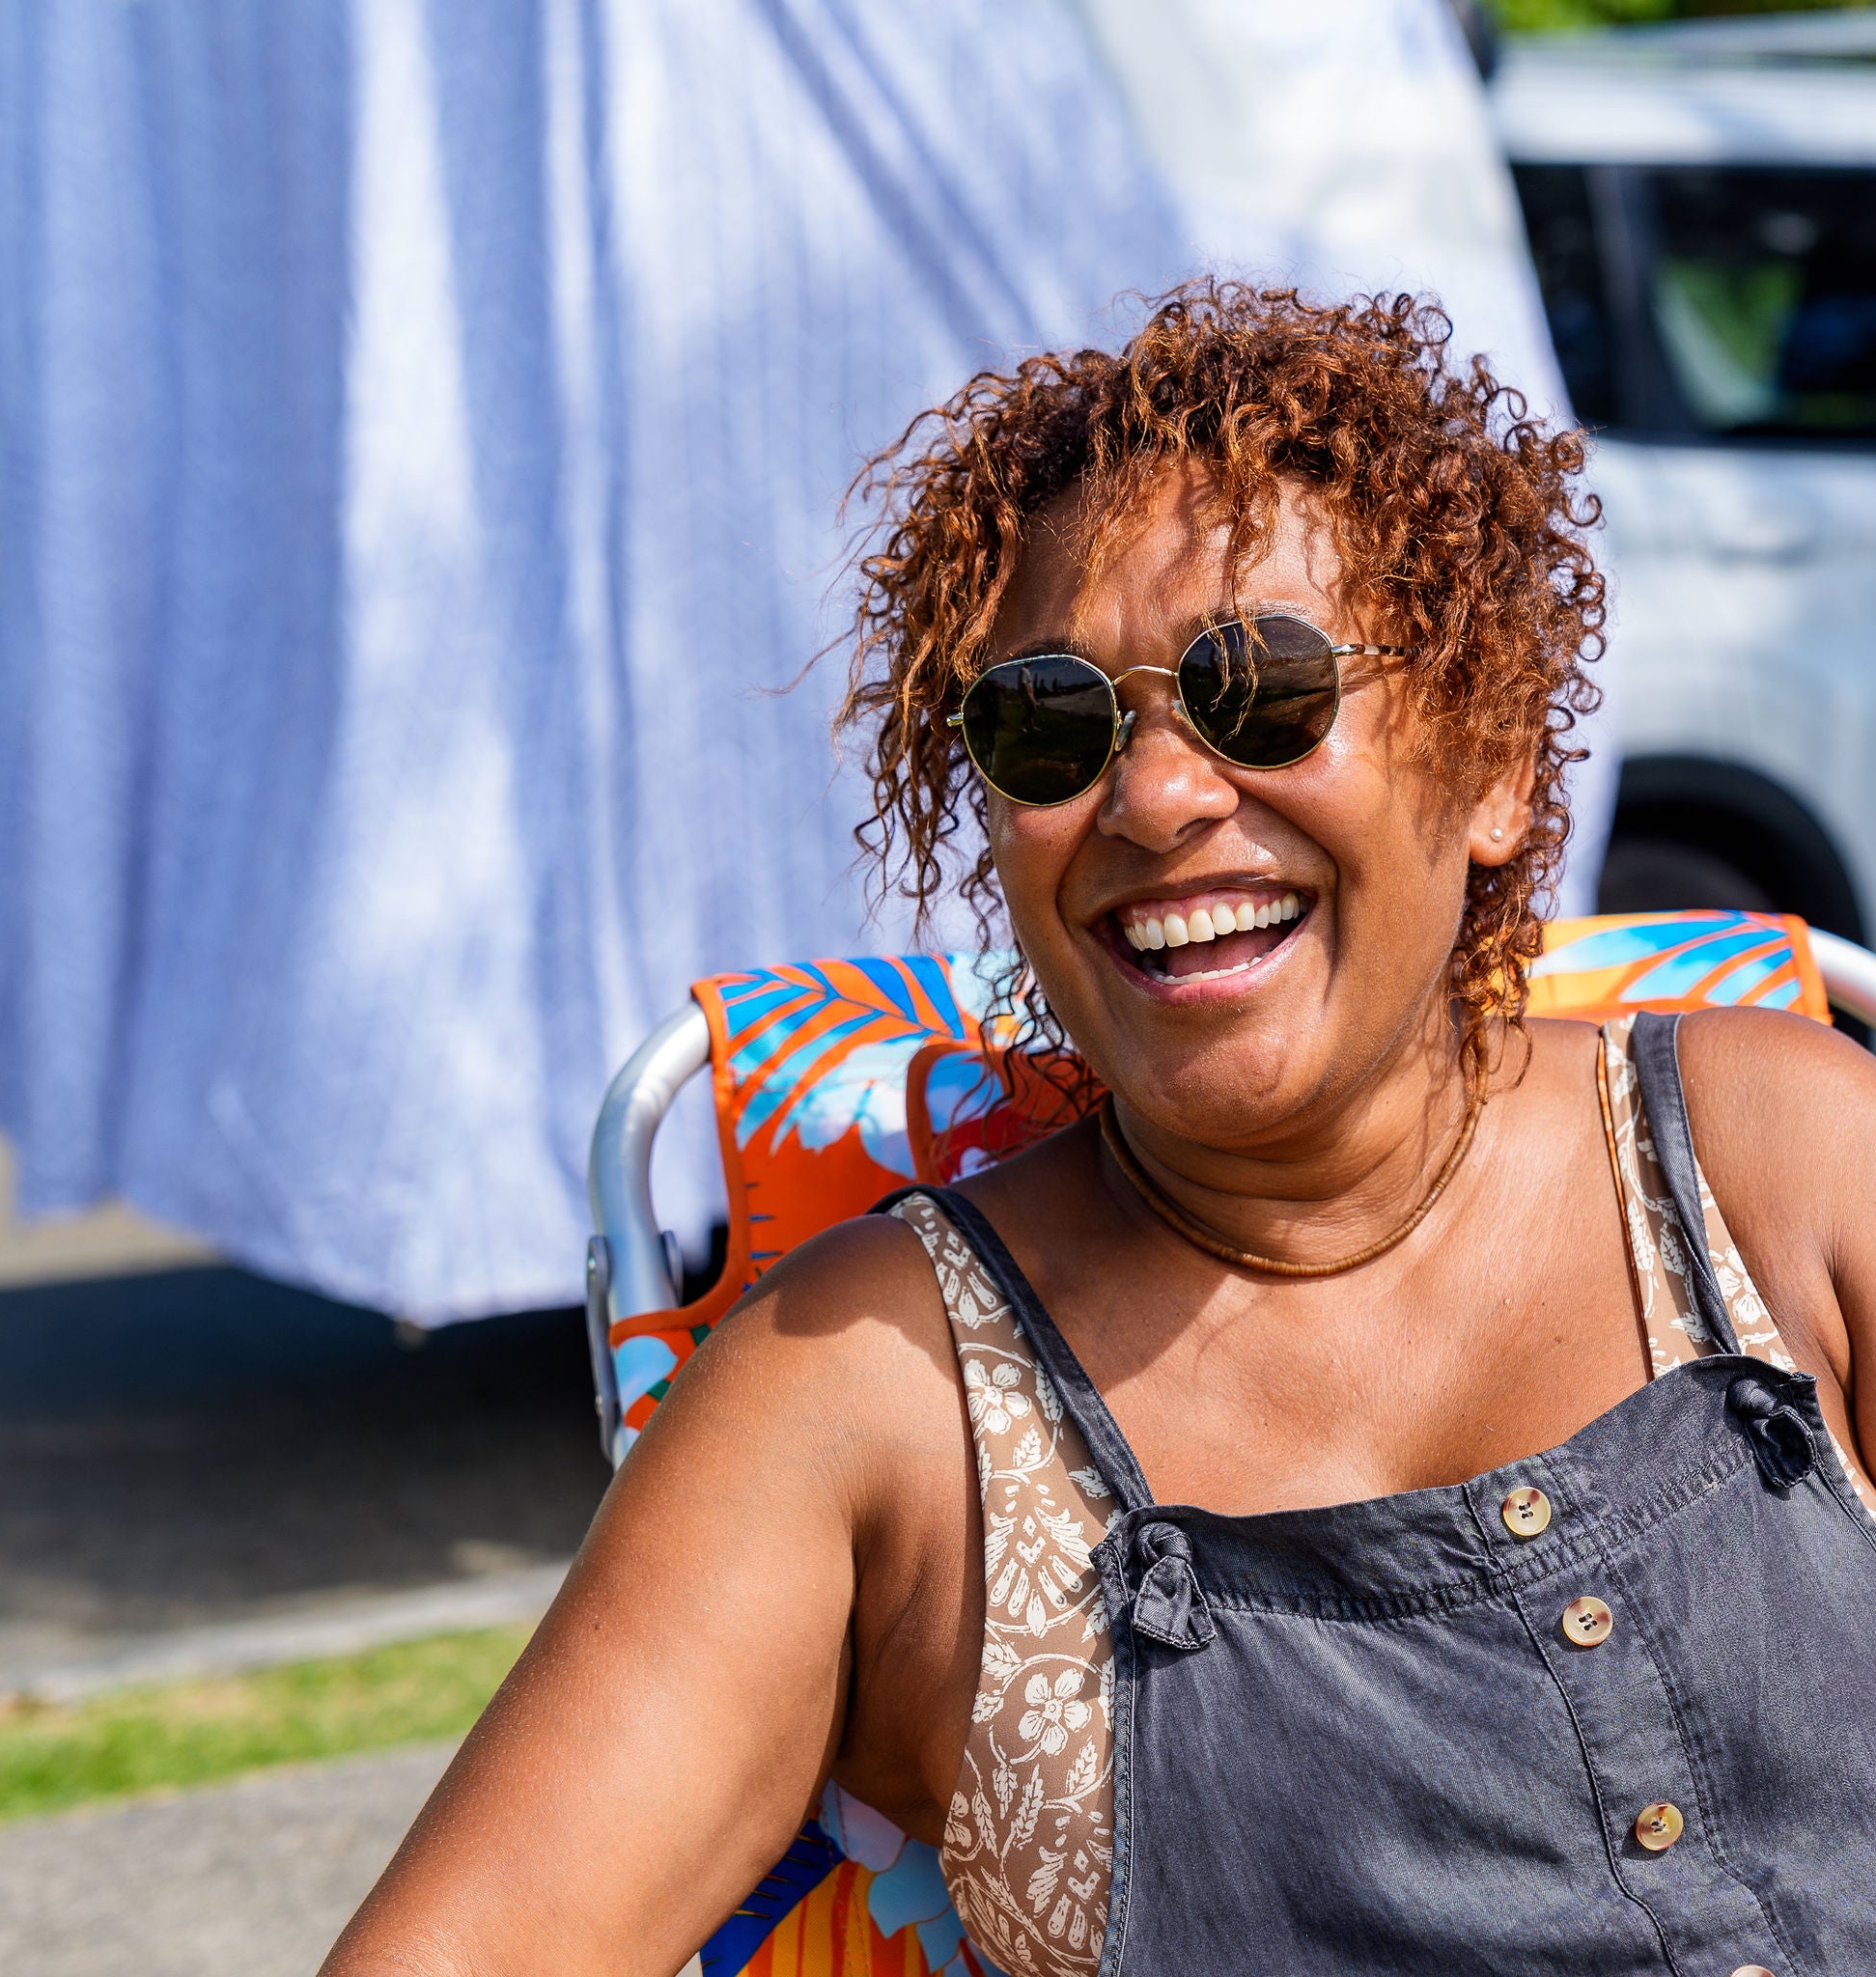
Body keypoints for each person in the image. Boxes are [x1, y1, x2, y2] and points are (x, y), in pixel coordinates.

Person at [322, 284, 1876, 1975]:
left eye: (1261, 689)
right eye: (1050, 730)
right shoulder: (870, 1395)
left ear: (1497, 764)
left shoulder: (1771, 1160)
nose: (1153, 798)